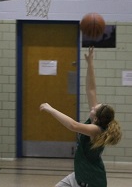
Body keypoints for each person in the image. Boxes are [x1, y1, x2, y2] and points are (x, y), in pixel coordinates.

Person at [39, 47, 122, 187]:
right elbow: (91, 89)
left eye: (96, 107)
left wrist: (51, 109)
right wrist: (90, 64)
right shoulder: (97, 122)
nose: (94, 106)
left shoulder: (95, 130)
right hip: (78, 175)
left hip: (91, 180)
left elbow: (73, 126)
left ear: (96, 118)